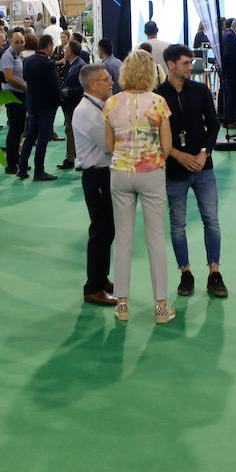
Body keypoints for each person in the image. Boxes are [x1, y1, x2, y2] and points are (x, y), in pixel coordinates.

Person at [104, 50, 176, 324]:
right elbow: (167, 145)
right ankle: (161, 307)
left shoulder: (111, 102)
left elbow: (109, 145)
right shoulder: (158, 102)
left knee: (123, 238)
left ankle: (122, 303)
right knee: (156, 239)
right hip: (151, 172)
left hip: (120, 172)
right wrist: (154, 159)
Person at [155, 44, 226, 299]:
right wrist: (177, 154)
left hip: (204, 167)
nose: (191, 67)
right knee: (177, 225)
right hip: (174, 171)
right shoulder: (157, 97)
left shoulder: (201, 91)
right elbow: (155, 135)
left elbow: (214, 125)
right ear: (171, 65)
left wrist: (204, 153)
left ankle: (214, 272)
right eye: (186, 63)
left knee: (212, 220)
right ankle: (185, 273)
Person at [74, 62, 118, 306]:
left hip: (104, 175)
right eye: (106, 79)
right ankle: (93, 287)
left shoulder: (99, 106)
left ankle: (101, 278)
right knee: (101, 231)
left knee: (107, 230)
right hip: (97, 176)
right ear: (92, 84)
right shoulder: (87, 112)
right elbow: (110, 144)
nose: (111, 82)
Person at [19, 34, 61, 182]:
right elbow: (54, 86)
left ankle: (22, 168)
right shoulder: (48, 63)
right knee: (42, 139)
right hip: (46, 106)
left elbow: (25, 78)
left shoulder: (27, 61)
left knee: (30, 136)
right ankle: (39, 171)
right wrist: (58, 102)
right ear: (49, 46)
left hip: (32, 104)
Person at [0, 30, 28, 175]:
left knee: (19, 129)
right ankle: (11, 164)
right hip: (13, 95)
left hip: (21, 95)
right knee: (15, 130)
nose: (20, 44)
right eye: (17, 42)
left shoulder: (20, 55)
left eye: (22, 42)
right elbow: (9, 77)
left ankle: (17, 161)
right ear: (10, 42)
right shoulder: (7, 56)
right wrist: (26, 88)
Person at [58, 40, 86, 170]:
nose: (64, 50)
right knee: (69, 130)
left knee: (76, 131)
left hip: (75, 103)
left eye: (66, 48)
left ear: (71, 51)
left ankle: (79, 159)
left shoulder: (80, 66)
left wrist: (69, 92)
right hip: (69, 103)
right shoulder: (71, 64)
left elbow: (83, 87)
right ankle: (70, 157)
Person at [219, 18, 236, 128]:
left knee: (232, 97)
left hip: (232, 72)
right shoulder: (230, 36)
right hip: (232, 73)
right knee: (232, 98)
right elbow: (228, 54)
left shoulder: (230, 35)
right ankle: (230, 121)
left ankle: (233, 119)